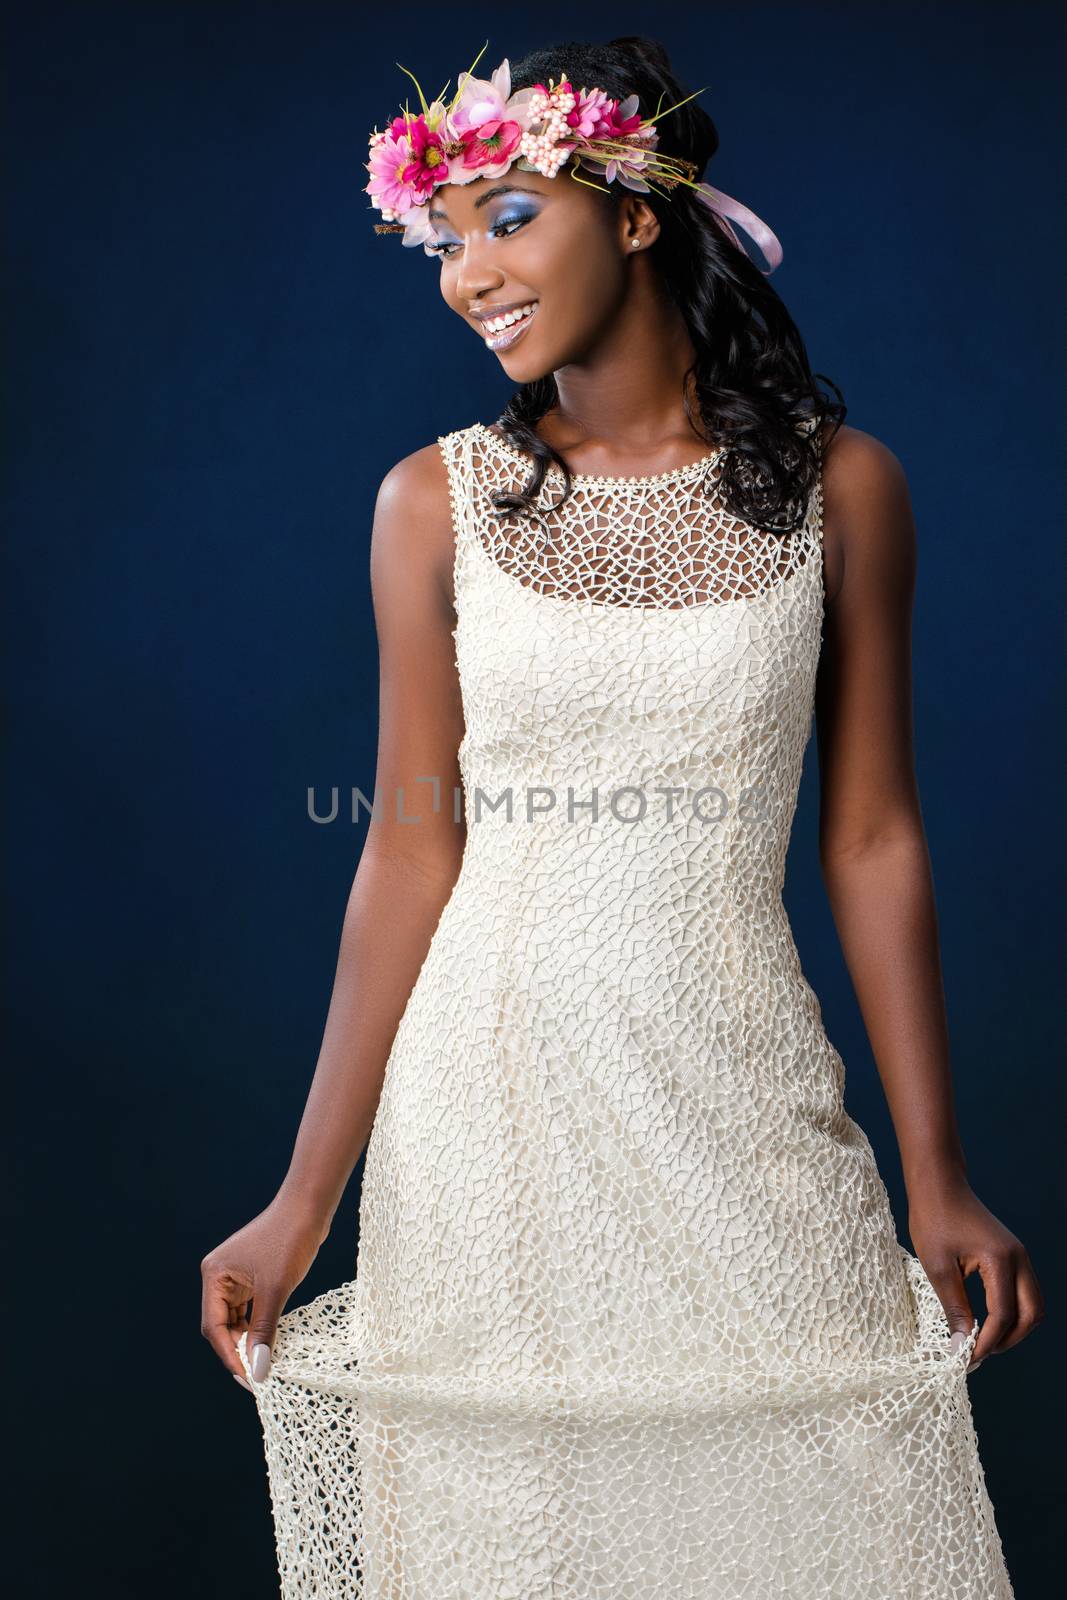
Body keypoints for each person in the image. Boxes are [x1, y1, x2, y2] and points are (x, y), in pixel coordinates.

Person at [200, 35, 1043, 1598]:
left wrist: (936, 1172)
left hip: (736, 1078)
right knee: (517, 1542)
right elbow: (409, 847)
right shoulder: (428, 503)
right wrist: (297, 1206)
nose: (471, 274)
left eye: (509, 218)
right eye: (444, 241)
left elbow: (871, 839)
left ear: (640, 213)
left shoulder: (843, 488)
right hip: (491, 1108)